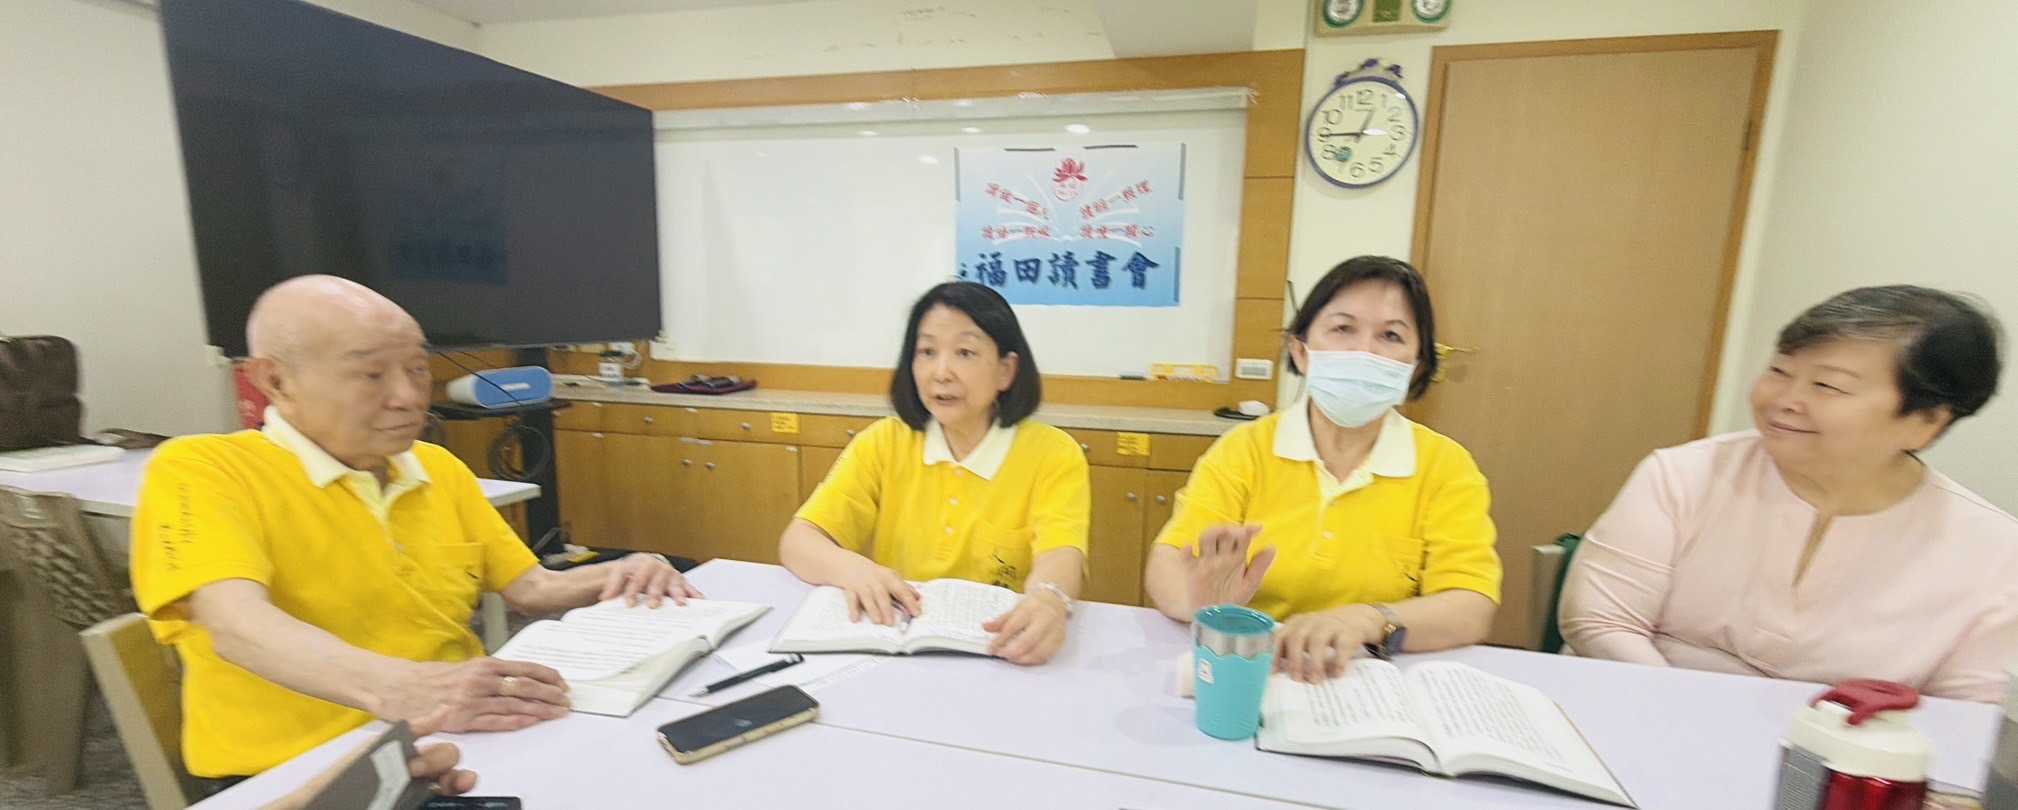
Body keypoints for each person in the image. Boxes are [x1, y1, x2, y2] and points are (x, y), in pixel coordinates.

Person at [131, 275, 702, 784]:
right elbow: (236, 625)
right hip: (301, 774)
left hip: (451, 742)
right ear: (276, 380)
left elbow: (530, 588)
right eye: (371, 374)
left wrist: (624, 570)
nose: (407, 397)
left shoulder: (435, 467)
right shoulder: (204, 470)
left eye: (418, 369)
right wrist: (406, 688)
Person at [1560, 285, 2015, 702]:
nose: (1783, 400)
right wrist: (1685, 717)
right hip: (1635, 708)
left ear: (1926, 422)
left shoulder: (1994, 552)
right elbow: (1601, 622)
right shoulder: (1685, 474)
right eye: (1779, 371)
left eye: (1828, 386)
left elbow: (1971, 715)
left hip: (1841, 752)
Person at [1143, 256, 1501, 683]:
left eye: (1390, 335)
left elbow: (1471, 604)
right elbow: (1168, 562)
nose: (1364, 351)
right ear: (1301, 351)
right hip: (1253, 668)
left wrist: (1369, 620)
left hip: (1373, 677)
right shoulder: (1245, 449)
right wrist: (1200, 602)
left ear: (1416, 366)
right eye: (1343, 328)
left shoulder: (1446, 466)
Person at [778, 281, 1089, 665]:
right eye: (926, 352)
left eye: (965, 352)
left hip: (1000, 650)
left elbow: (1061, 552)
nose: (941, 372)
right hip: (899, 647)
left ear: (1006, 371)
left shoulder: (1053, 453)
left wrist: (1048, 598)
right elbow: (798, 541)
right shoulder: (883, 442)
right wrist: (851, 569)